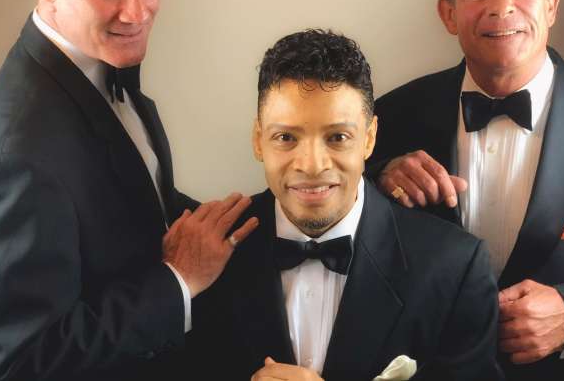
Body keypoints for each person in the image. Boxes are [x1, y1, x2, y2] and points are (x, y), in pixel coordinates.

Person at [0, 0, 257, 380]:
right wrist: (177, 281)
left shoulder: (99, 60)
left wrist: (336, 191)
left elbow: (140, 208)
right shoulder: (14, 157)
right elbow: (23, 364)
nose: (137, 12)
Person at [369, 0, 564, 380]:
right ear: (448, 14)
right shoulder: (390, 116)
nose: (501, 7)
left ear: (551, 3)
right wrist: (379, 178)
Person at [187, 30, 502, 381]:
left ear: (369, 138)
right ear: (258, 140)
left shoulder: (454, 267)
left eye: (337, 137)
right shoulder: (205, 258)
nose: (311, 165)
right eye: (286, 137)